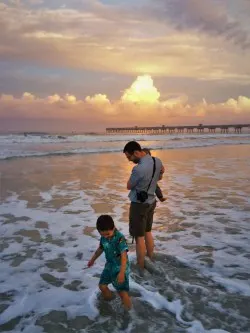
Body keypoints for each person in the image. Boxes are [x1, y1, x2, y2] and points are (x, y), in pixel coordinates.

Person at [123, 141, 165, 275]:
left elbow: (129, 186)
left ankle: (141, 268)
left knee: (139, 236)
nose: (129, 160)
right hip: (152, 201)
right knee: (148, 231)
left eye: (129, 157)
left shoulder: (138, 169)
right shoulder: (157, 160)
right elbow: (161, 173)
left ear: (136, 152)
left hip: (139, 205)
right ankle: (150, 257)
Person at [87, 215, 132, 310]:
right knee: (102, 286)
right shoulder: (104, 237)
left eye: (107, 234)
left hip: (120, 267)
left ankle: (129, 312)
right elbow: (100, 249)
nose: (105, 236)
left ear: (114, 227)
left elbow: (124, 258)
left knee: (122, 291)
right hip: (110, 265)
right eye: (102, 234)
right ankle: (111, 302)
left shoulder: (120, 238)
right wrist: (92, 260)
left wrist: (121, 273)